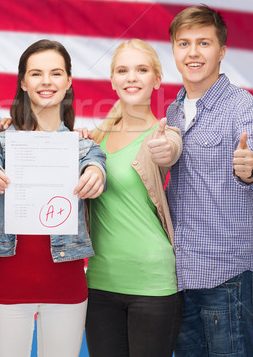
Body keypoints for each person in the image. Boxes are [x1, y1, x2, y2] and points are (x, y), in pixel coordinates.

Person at [0, 39, 106, 357]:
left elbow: (96, 165)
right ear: (23, 82)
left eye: (56, 73)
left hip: (67, 287)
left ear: (68, 81)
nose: (46, 81)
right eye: (36, 73)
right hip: (6, 286)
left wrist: (95, 176)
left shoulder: (85, 147)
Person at [165, 5, 253, 356]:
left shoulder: (241, 105)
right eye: (184, 43)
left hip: (225, 273)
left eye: (204, 43)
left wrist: (249, 167)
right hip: (181, 272)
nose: (193, 52)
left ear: (221, 51)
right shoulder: (173, 111)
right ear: (174, 50)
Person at [85, 39, 184, 357]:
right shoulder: (95, 139)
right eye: (123, 70)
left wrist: (166, 148)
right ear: (112, 80)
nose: (132, 77)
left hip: (152, 282)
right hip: (99, 282)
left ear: (157, 80)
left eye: (142, 70)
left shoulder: (164, 133)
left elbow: (171, 149)